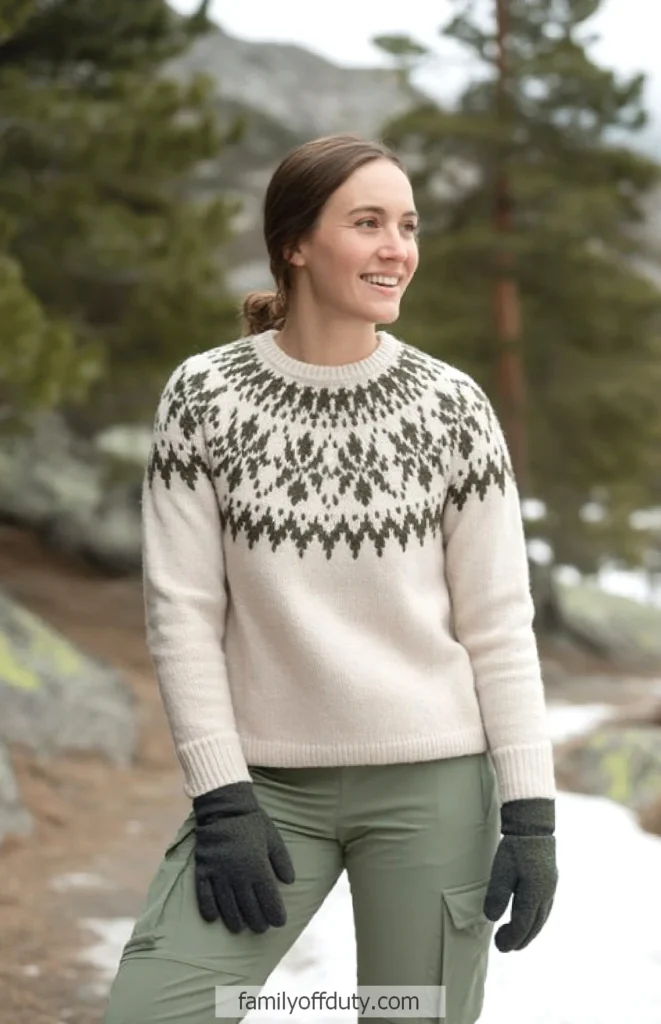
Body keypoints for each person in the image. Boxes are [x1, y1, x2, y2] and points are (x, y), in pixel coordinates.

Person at [102, 133, 558, 1024]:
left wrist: (530, 817)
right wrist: (221, 797)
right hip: (262, 792)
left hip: (434, 785)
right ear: (296, 243)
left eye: (408, 226)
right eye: (368, 223)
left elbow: (499, 627)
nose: (398, 249)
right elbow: (183, 616)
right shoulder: (203, 397)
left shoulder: (452, 407)